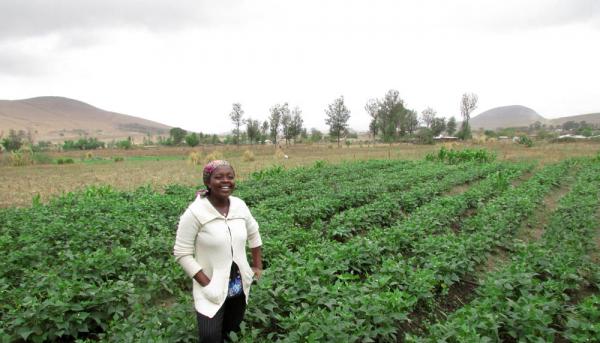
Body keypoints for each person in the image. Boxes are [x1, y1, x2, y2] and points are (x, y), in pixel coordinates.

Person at [174, 160, 263, 342]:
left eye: (230, 177)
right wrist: (206, 284)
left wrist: (257, 266)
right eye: (219, 177)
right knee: (209, 336)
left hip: (239, 284)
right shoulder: (195, 212)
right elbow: (182, 252)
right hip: (210, 286)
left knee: (231, 330)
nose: (226, 181)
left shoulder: (239, 205)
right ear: (208, 181)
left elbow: (254, 233)